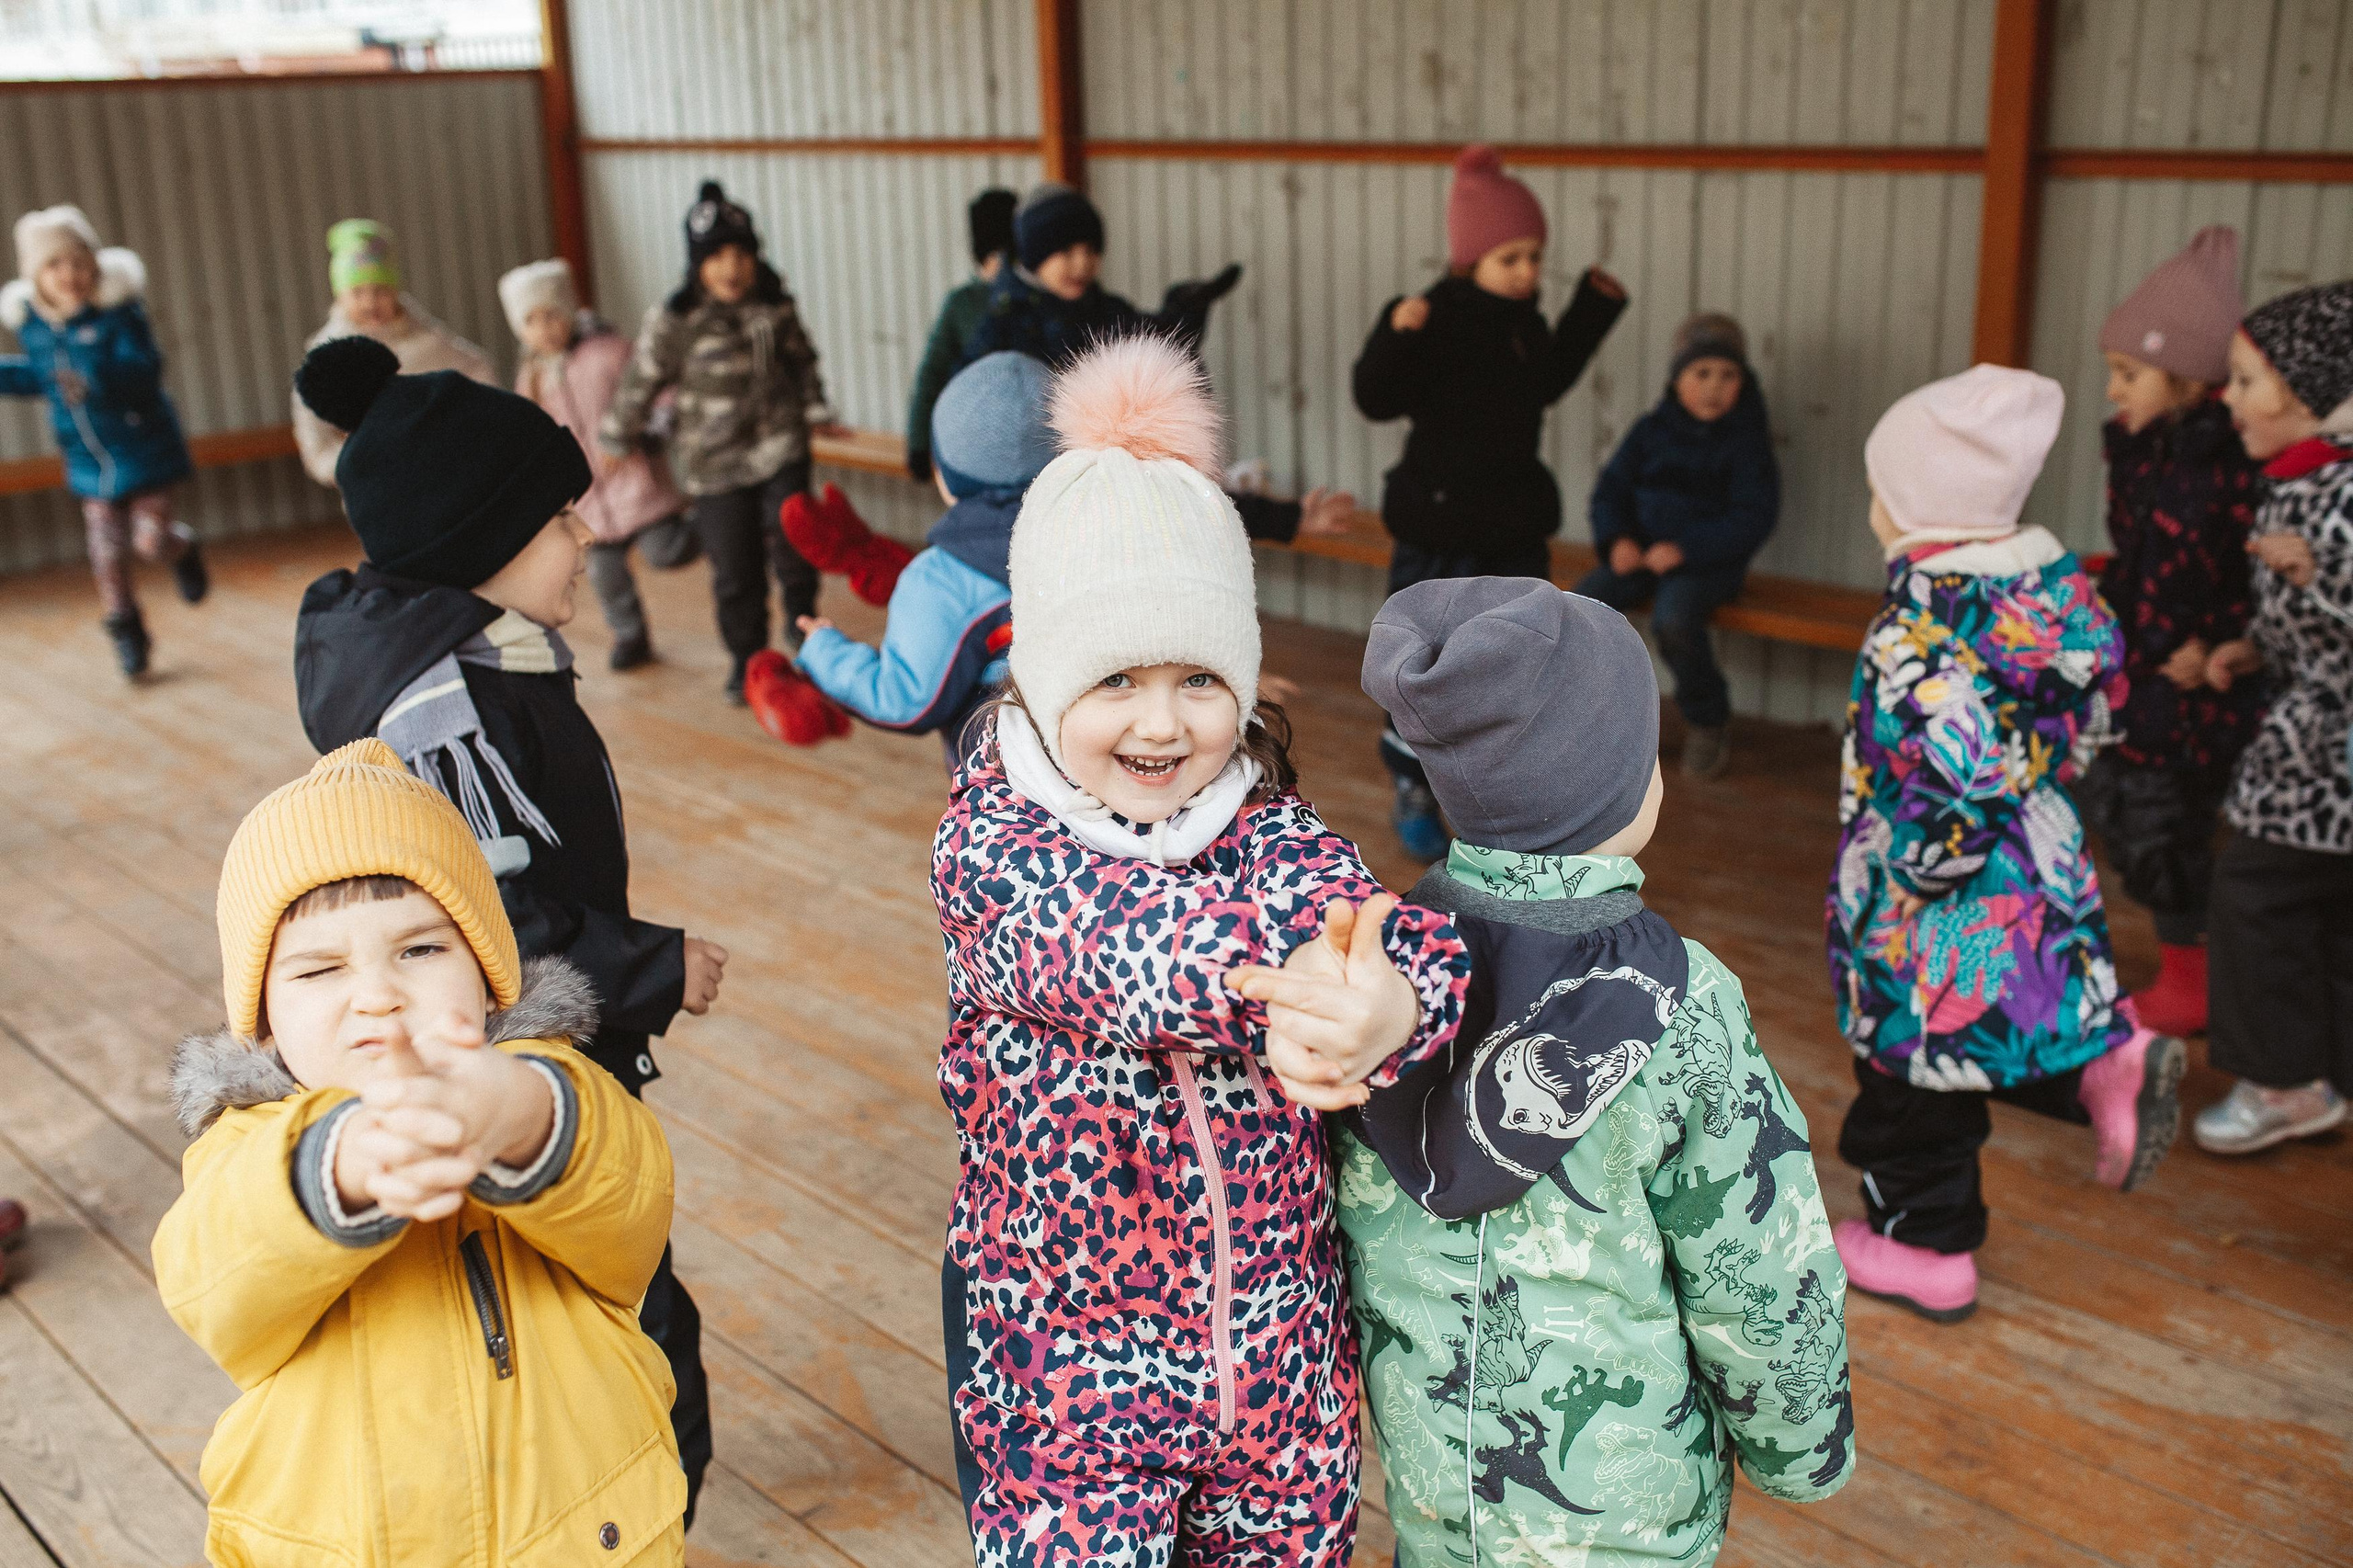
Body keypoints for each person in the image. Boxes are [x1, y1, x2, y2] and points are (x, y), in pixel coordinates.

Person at [931, 335, 1471, 1565]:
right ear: (1044, 674)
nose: (1164, 721)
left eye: (1198, 677)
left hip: (1277, 1361)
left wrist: (1386, 1004)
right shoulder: (992, 848)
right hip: (1068, 1375)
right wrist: (1292, 992)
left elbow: (1408, 942)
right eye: (1115, 677)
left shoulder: (1272, 831)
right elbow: (1116, 951)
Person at [288, 335, 725, 1520]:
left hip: (528, 1055)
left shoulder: (482, 657)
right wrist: (652, 964)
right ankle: (642, 1501)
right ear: (478, 544)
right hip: (502, 1063)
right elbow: (497, 911)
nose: (586, 537)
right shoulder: (443, 707)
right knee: (618, 1289)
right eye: (560, 520)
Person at [1341, 576, 1853, 1562]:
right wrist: (1802, 1446)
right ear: (1619, 782)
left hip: (1435, 1482)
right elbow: (1755, 1258)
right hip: (1627, 1515)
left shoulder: (1379, 977)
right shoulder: (1681, 1000)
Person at [153, 739, 686, 1565]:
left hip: (584, 1533)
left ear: (487, 972)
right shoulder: (248, 1148)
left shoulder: (550, 1088)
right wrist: (332, 1169)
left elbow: (635, 1207)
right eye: (320, 969)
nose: (377, 995)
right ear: (261, 1020)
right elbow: (210, 1284)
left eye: (422, 950)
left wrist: (525, 1116)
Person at [1826, 365, 2182, 1324]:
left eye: (1878, 488)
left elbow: (1953, 778)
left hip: (1937, 895)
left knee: (1911, 1070)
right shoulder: (2053, 607)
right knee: (2013, 1016)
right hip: (2039, 862)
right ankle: (2103, 1062)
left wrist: (1914, 873)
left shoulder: (1915, 633)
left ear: (1911, 509)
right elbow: (2094, 720)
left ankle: (1921, 1245)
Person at [1352, 143, 1628, 858]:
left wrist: (1590, 311)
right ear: (1470, 258)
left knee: (1513, 663)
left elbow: (1547, 383)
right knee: (1422, 666)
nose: (1529, 273)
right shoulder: (1432, 317)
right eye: (1512, 259)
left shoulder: (1523, 323)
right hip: (1439, 527)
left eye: (1536, 258)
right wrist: (1394, 334)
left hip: (1510, 525)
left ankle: (1498, 792)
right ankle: (1413, 778)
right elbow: (1376, 398)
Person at [2073, 226, 2261, 1038]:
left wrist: (2220, 637)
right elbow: (2141, 554)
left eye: (2128, 374)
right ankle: (2190, 959)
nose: (2114, 391)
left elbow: (2251, 567)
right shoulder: (2143, 449)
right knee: (2112, 802)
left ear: (2185, 376)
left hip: (2195, 681)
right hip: (2140, 662)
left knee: (2164, 822)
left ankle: (2194, 976)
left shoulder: (2234, 462)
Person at [2192, 279, 2353, 1153]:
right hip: (2314, 738)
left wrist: (2323, 578)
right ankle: (2327, 1071)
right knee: (2325, 907)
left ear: (2311, 389)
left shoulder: (2342, 491)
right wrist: (2259, 645)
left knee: (2256, 893)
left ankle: (2285, 1084)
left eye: (2249, 381)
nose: (2230, 398)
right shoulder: (2303, 481)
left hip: (2322, 763)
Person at [601, 182, 843, 701]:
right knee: (735, 571)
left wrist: (817, 409)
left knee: (797, 550)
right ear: (697, 265)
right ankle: (748, 660)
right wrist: (617, 436)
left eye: (740, 254)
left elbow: (802, 363)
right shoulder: (676, 320)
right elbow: (640, 380)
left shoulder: (774, 307)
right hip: (714, 466)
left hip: (781, 449)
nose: (730, 268)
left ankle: (806, 640)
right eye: (715, 257)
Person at [748, 350, 1053, 760]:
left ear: (943, 473)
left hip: (1005, 788)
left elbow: (905, 701)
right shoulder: (1113, 536)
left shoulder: (940, 580)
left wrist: (824, 650)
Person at [2, 205, 206, 676]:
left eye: (78, 262)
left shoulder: (120, 315)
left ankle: (181, 548)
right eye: (54, 266)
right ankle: (127, 628)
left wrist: (96, 372)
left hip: (144, 449)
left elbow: (145, 370)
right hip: (88, 461)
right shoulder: (34, 326)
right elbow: (43, 379)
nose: (69, 275)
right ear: (36, 276)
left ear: (95, 265)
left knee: (149, 542)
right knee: (106, 552)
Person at [1577, 312, 1779, 779]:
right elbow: (1611, 491)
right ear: (1676, 379)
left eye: (1728, 375)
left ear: (1743, 382)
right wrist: (1617, 540)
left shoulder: (1747, 442)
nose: (1713, 387)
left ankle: (1708, 718)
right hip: (1642, 553)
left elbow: (1752, 517)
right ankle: (1593, 720)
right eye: (1701, 373)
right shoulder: (1651, 431)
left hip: (1707, 562)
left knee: (1675, 621)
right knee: (1584, 606)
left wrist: (1688, 548)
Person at [501, 257, 698, 672]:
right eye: (531, 321)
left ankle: (709, 529)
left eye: (552, 315)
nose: (545, 328)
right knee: (605, 575)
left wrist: (643, 435)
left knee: (666, 551)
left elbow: (656, 390)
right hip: (587, 499)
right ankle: (631, 636)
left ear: (570, 312)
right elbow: (531, 430)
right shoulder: (533, 376)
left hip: (635, 484)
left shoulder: (608, 352)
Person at [292, 219, 495, 487]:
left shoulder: (429, 341)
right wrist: (353, 463)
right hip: (374, 485)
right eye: (357, 292)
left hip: (441, 476)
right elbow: (313, 435)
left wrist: (464, 437)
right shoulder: (328, 358)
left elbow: (479, 371)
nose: (370, 302)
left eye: (380, 290)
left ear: (396, 291)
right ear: (339, 296)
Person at [905, 187, 1017, 483]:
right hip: (973, 438)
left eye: (1008, 254)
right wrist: (918, 443)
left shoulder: (1030, 301)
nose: (1000, 264)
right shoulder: (962, 304)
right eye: (992, 255)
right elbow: (932, 374)